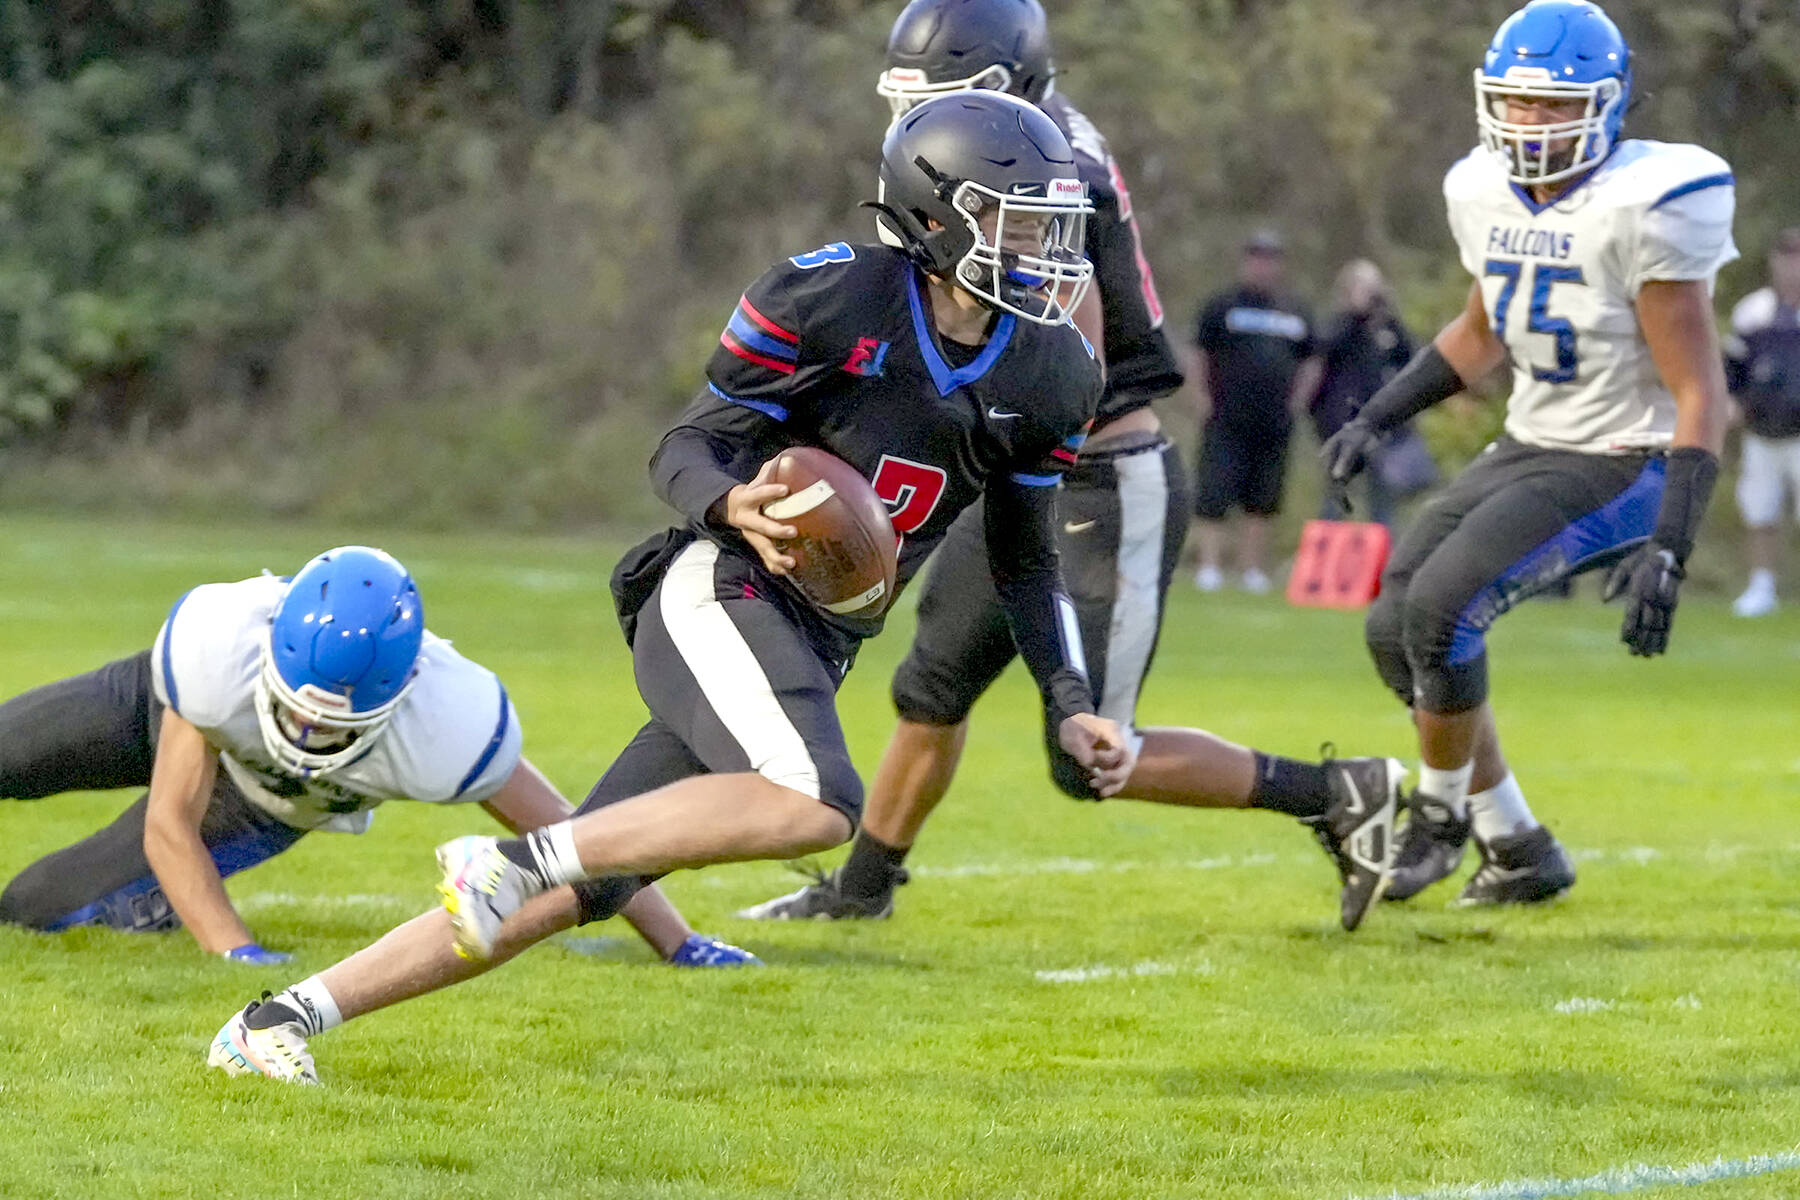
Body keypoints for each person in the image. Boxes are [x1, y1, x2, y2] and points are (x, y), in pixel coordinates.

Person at [207, 91, 1136, 1083]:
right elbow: (685, 446)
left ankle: (277, 1020)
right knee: (818, 800)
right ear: (937, 212)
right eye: (1016, 219)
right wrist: (734, 506)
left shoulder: (1054, 372)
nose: (1046, 249)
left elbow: (1027, 557)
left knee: (576, 895)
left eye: (1054, 224)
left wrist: (1071, 702)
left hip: (816, 640)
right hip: (720, 587)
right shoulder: (832, 299)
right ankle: (516, 856)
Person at [736, 0, 1400, 935]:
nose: (915, 117)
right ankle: (862, 890)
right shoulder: (1024, 144)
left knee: (1091, 753)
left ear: (1001, 89)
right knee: (930, 689)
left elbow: (1058, 365)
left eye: (940, 94)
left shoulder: (1046, 177)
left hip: (1101, 474)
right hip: (1013, 468)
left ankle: (1336, 792)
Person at [1323, 0, 1735, 906]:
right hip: (1533, 438)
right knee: (1395, 628)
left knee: (1441, 607)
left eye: (1556, 106)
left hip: (1629, 456)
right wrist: (1377, 415)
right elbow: (1479, 333)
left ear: (1609, 104)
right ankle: (1516, 845)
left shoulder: (1649, 203)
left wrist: (1672, 541)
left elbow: (1703, 390)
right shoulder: (1478, 187)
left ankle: (1435, 821)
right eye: (1517, 103)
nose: (1533, 123)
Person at [0, 545, 751, 968]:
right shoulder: (216, 651)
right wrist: (235, 950)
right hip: (175, 711)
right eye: (298, 708)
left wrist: (679, 941)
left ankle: (134, 908)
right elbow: (172, 818)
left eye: (333, 724)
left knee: (36, 907)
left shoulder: (449, 724)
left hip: (265, 797)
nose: (309, 729)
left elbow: (573, 837)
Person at [1190, 230, 1322, 592]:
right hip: (1226, 417)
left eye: (1270, 260)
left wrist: (1299, 401)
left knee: (1262, 499)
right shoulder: (1222, 305)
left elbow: (1312, 360)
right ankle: (1210, 567)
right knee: (1214, 492)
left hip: (1274, 420)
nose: (1263, 267)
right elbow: (1199, 353)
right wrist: (1201, 397)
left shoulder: (1295, 310)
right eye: (1257, 259)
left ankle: (1252, 569)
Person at [1309, 260, 1426, 527]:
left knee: (1382, 502)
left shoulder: (1389, 328)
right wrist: (1356, 314)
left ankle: (1383, 560)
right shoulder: (1338, 326)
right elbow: (1323, 353)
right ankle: (1326, 556)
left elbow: (1412, 359)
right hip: (1343, 424)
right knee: (1337, 495)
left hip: (1381, 424)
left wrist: (1386, 316)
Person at [1724, 227, 1800, 618]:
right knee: (1759, 511)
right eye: (1786, 257)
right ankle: (1761, 586)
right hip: (1763, 430)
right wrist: (1732, 404)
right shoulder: (1753, 312)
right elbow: (1733, 369)